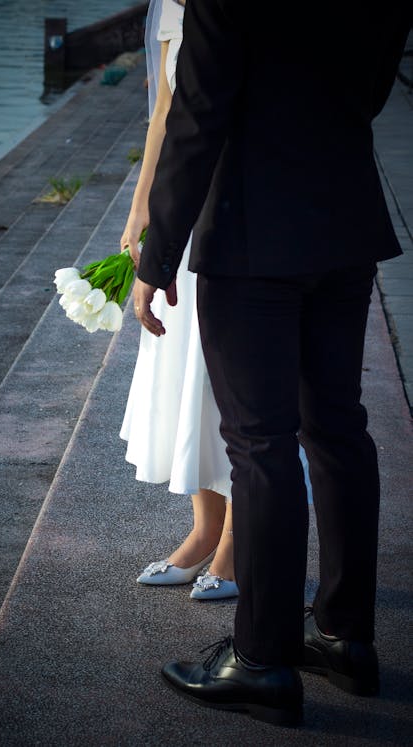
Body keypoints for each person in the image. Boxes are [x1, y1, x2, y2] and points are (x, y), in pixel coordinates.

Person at [133, 0, 412, 728]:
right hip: (345, 220)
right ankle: (345, 638)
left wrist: (157, 254)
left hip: (253, 230)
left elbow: (198, 113)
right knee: (339, 430)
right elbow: (374, 90)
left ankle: (259, 661)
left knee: (260, 445)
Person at [120, 0, 238, 600]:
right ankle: (203, 529)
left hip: (238, 203)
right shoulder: (170, 7)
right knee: (188, 364)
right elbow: (164, 111)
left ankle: (237, 547)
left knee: (231, 378)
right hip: (180, 209)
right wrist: (144, 206)